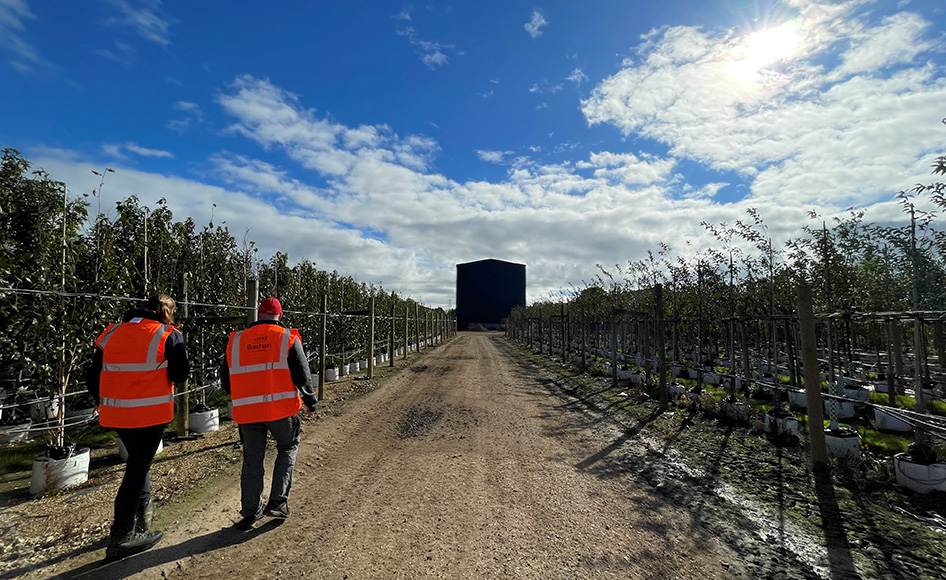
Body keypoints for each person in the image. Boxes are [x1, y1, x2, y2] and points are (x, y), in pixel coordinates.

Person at [87, 294, 190, 561]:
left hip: (115, 413)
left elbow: (92, 374)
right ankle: (121, 535)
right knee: (136, 470)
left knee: (138, 462)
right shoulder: (168, 334)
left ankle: (142, 515)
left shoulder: (112, 333)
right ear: (168, 312)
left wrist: (101, 400)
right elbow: (181, 374)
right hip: (150, 414)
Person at [221, 297, 318, 530]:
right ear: (280, 316)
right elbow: (302, 373)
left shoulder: (236, 341)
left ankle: (250, 512)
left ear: (258, 315)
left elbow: (226, 382)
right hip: (281, 411)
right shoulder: (286, 338)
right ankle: (277, 502)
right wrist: (310, 401)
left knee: (252, 459)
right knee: (287, 447)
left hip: (247, 412)